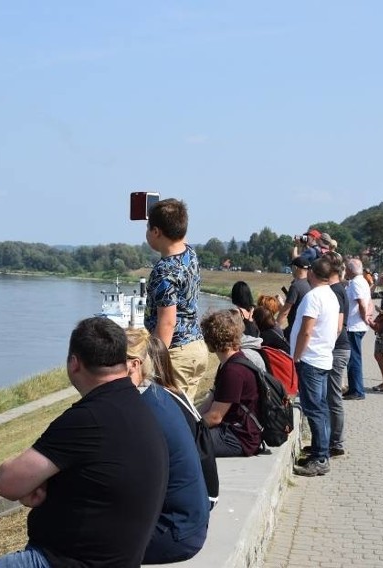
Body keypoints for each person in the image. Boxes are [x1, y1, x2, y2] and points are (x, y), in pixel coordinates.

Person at [0, 317, 168, 568]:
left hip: (65, 562)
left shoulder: (89, 418)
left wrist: (35, 483)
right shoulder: (137, 407)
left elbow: (7, 484)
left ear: (74, 363)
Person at [125, 328, 210, 564]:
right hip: (192, 520)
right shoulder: (164, 397)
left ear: (134, 365)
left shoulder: (145, 409)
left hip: (175, 532)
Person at [145, 198, 208, 402]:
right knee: (187, 418)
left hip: (175, 354)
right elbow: (177, 231)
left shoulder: (164, 272)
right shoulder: (190, 253)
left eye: (148, 228)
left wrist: (154, 363)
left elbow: (168, 322)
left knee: (170, 418)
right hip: (196, 347)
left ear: (156, 232)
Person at [290, 256, 342, 477]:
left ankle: (320, 457)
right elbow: (337, 327)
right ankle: (321, 451)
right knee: (320, 407)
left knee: (315, 409)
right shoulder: (331, 296)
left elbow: (306, 330)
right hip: (322, 357)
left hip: (310, 359)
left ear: (312, 273)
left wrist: (297, 356)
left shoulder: (313, 297)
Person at [198, 310, 262, 457]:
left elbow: (215, 417)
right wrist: (191, 418)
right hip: (235, 432)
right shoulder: (230, 363)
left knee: (185, 444)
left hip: (239, 438)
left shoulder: (233, 371)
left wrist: (188, 428)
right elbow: (211, 400)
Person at [324, 252, 349, 457]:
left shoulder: (336, 291)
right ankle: (330, 440)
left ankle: (336, 443)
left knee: (333, 398)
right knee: (330, 397)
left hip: (337, 349)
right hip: (338, 348)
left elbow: (338, 325)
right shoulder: (337, 289)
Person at [344, 258, 373, 400]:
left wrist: (364, 317)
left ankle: (358, 390)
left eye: (346, 268)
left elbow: (362, 303)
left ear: (350, 269)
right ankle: (353, 388)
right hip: (355, 324)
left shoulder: (356, 283)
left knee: (354, 358)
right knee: (352, 358)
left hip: (355, 325)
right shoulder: (361, 281)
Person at [278, 257, 311, 342]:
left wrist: (276, 327)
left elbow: (285, 312)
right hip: (307, 327)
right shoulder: (311, 284)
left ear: (295, 268)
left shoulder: (295, 286)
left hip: (295, 328)